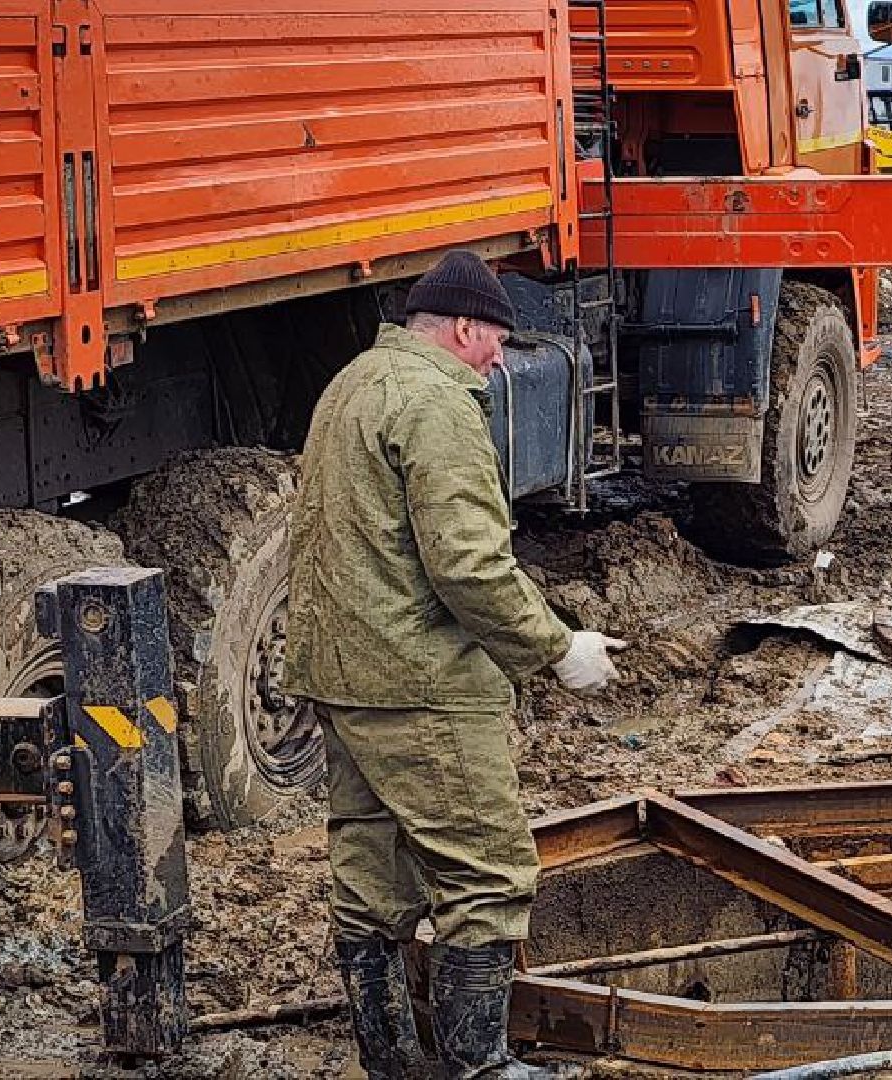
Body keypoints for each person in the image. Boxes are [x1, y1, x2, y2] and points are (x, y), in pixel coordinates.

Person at [287, 250, 625, 1078]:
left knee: (370, 875)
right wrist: (556, 648)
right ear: (466, 328)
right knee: (489, 870)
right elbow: (469, 564)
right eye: (497, 342)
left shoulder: (352, 384)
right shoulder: (438, 402)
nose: (501, 361)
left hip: (342, 673)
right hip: (418, 683)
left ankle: (392, 1062)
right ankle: (480, 1068)